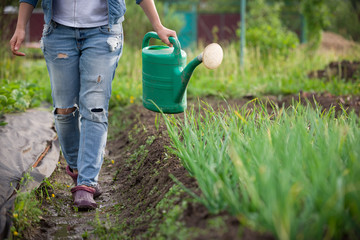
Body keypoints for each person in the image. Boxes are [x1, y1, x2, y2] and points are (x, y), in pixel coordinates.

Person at [10, 0, 176, 210]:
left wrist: (158, 26)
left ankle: (87, 183)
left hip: (103, 33)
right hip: (59, 33)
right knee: (64, 110)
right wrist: (20, 27)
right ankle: (78, 171)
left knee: (94, 108)